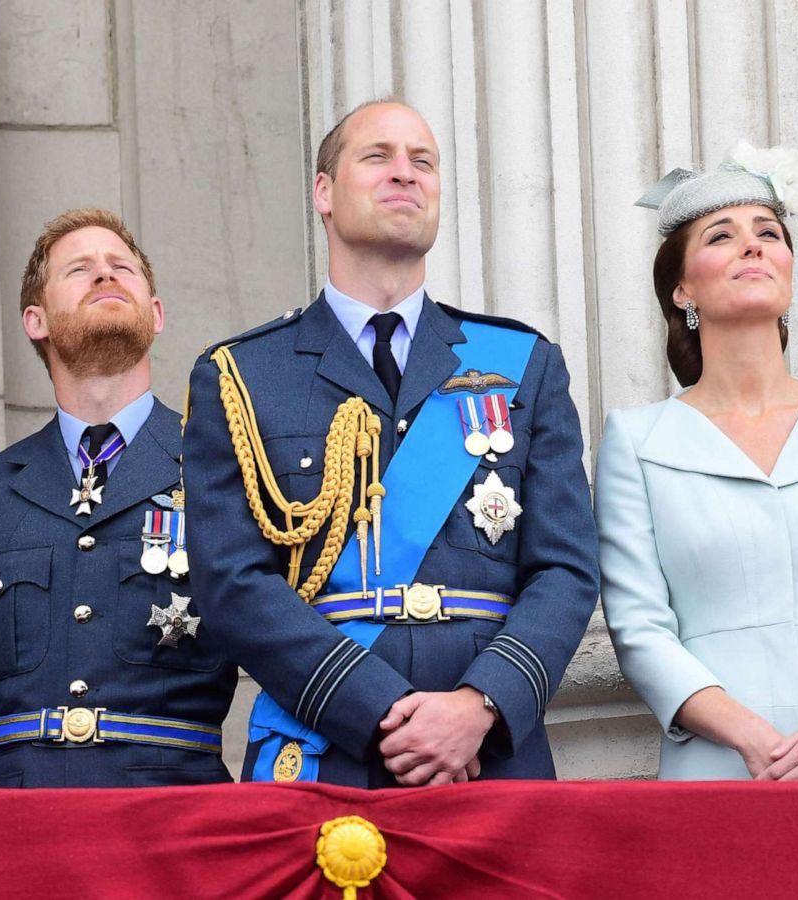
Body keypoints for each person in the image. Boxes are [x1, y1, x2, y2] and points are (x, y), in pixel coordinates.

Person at [183, 100, 599, 787]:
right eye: (378, 156)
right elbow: (231, 583)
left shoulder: (524, 363)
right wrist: (382, 707)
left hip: (488, 753)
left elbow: (566, 569)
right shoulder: (242, 375)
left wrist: (479, 704)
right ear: (324, 191)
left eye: (423, 161)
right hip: (328, 745)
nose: (405, 174)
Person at [598, 144, 798, 780]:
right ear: (682, 287)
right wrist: (756, 741)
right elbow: (640, 629)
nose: (752, 246)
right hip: (722, 765)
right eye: (722, 236)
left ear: (789, 269)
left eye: (769, 233)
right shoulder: (638, 441)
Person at [0, 208, 237, 787]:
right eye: (80, 269)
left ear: (155, 314)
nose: (105, 275)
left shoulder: (222, 469)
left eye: (121, 267)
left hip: (173, 814)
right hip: (19, 822)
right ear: (36, 319)